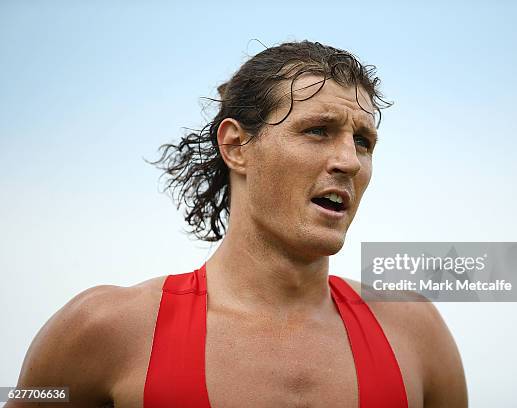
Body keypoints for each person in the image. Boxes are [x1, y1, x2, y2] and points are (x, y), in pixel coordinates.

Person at [7, 40, 468, 407]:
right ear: (236, 146)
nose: (349, 160)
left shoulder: (415, 332)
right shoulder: (103, 329)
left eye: (363, 142)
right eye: (317, 130)